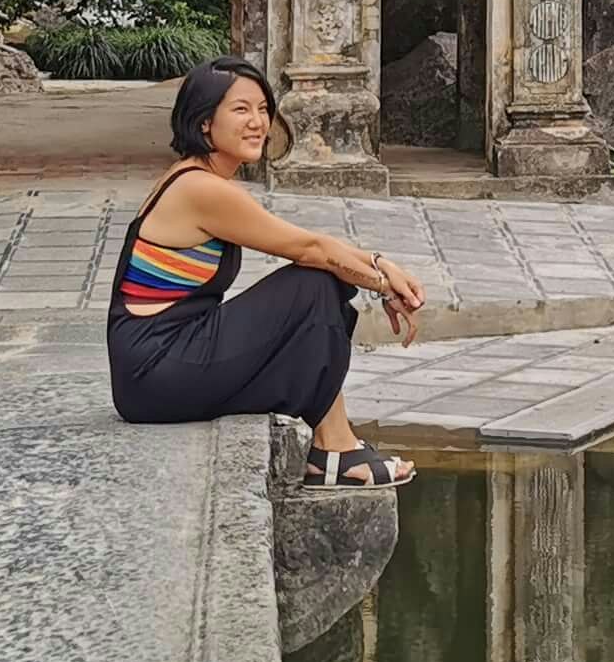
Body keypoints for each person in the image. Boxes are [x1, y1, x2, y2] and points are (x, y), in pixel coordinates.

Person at [108, 55, 430, 485]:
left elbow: (315, 246)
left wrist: (379, 265)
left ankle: (335, 442)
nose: (258, 122)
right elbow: (310, 248)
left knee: (319, 283)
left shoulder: (198, 178)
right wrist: (382, 281)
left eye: (263, 109)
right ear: (205, 122)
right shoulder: (200, 189)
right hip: (155, 369)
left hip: (159, 364)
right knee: (313, 282)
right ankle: (334, 447)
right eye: (241, 110)